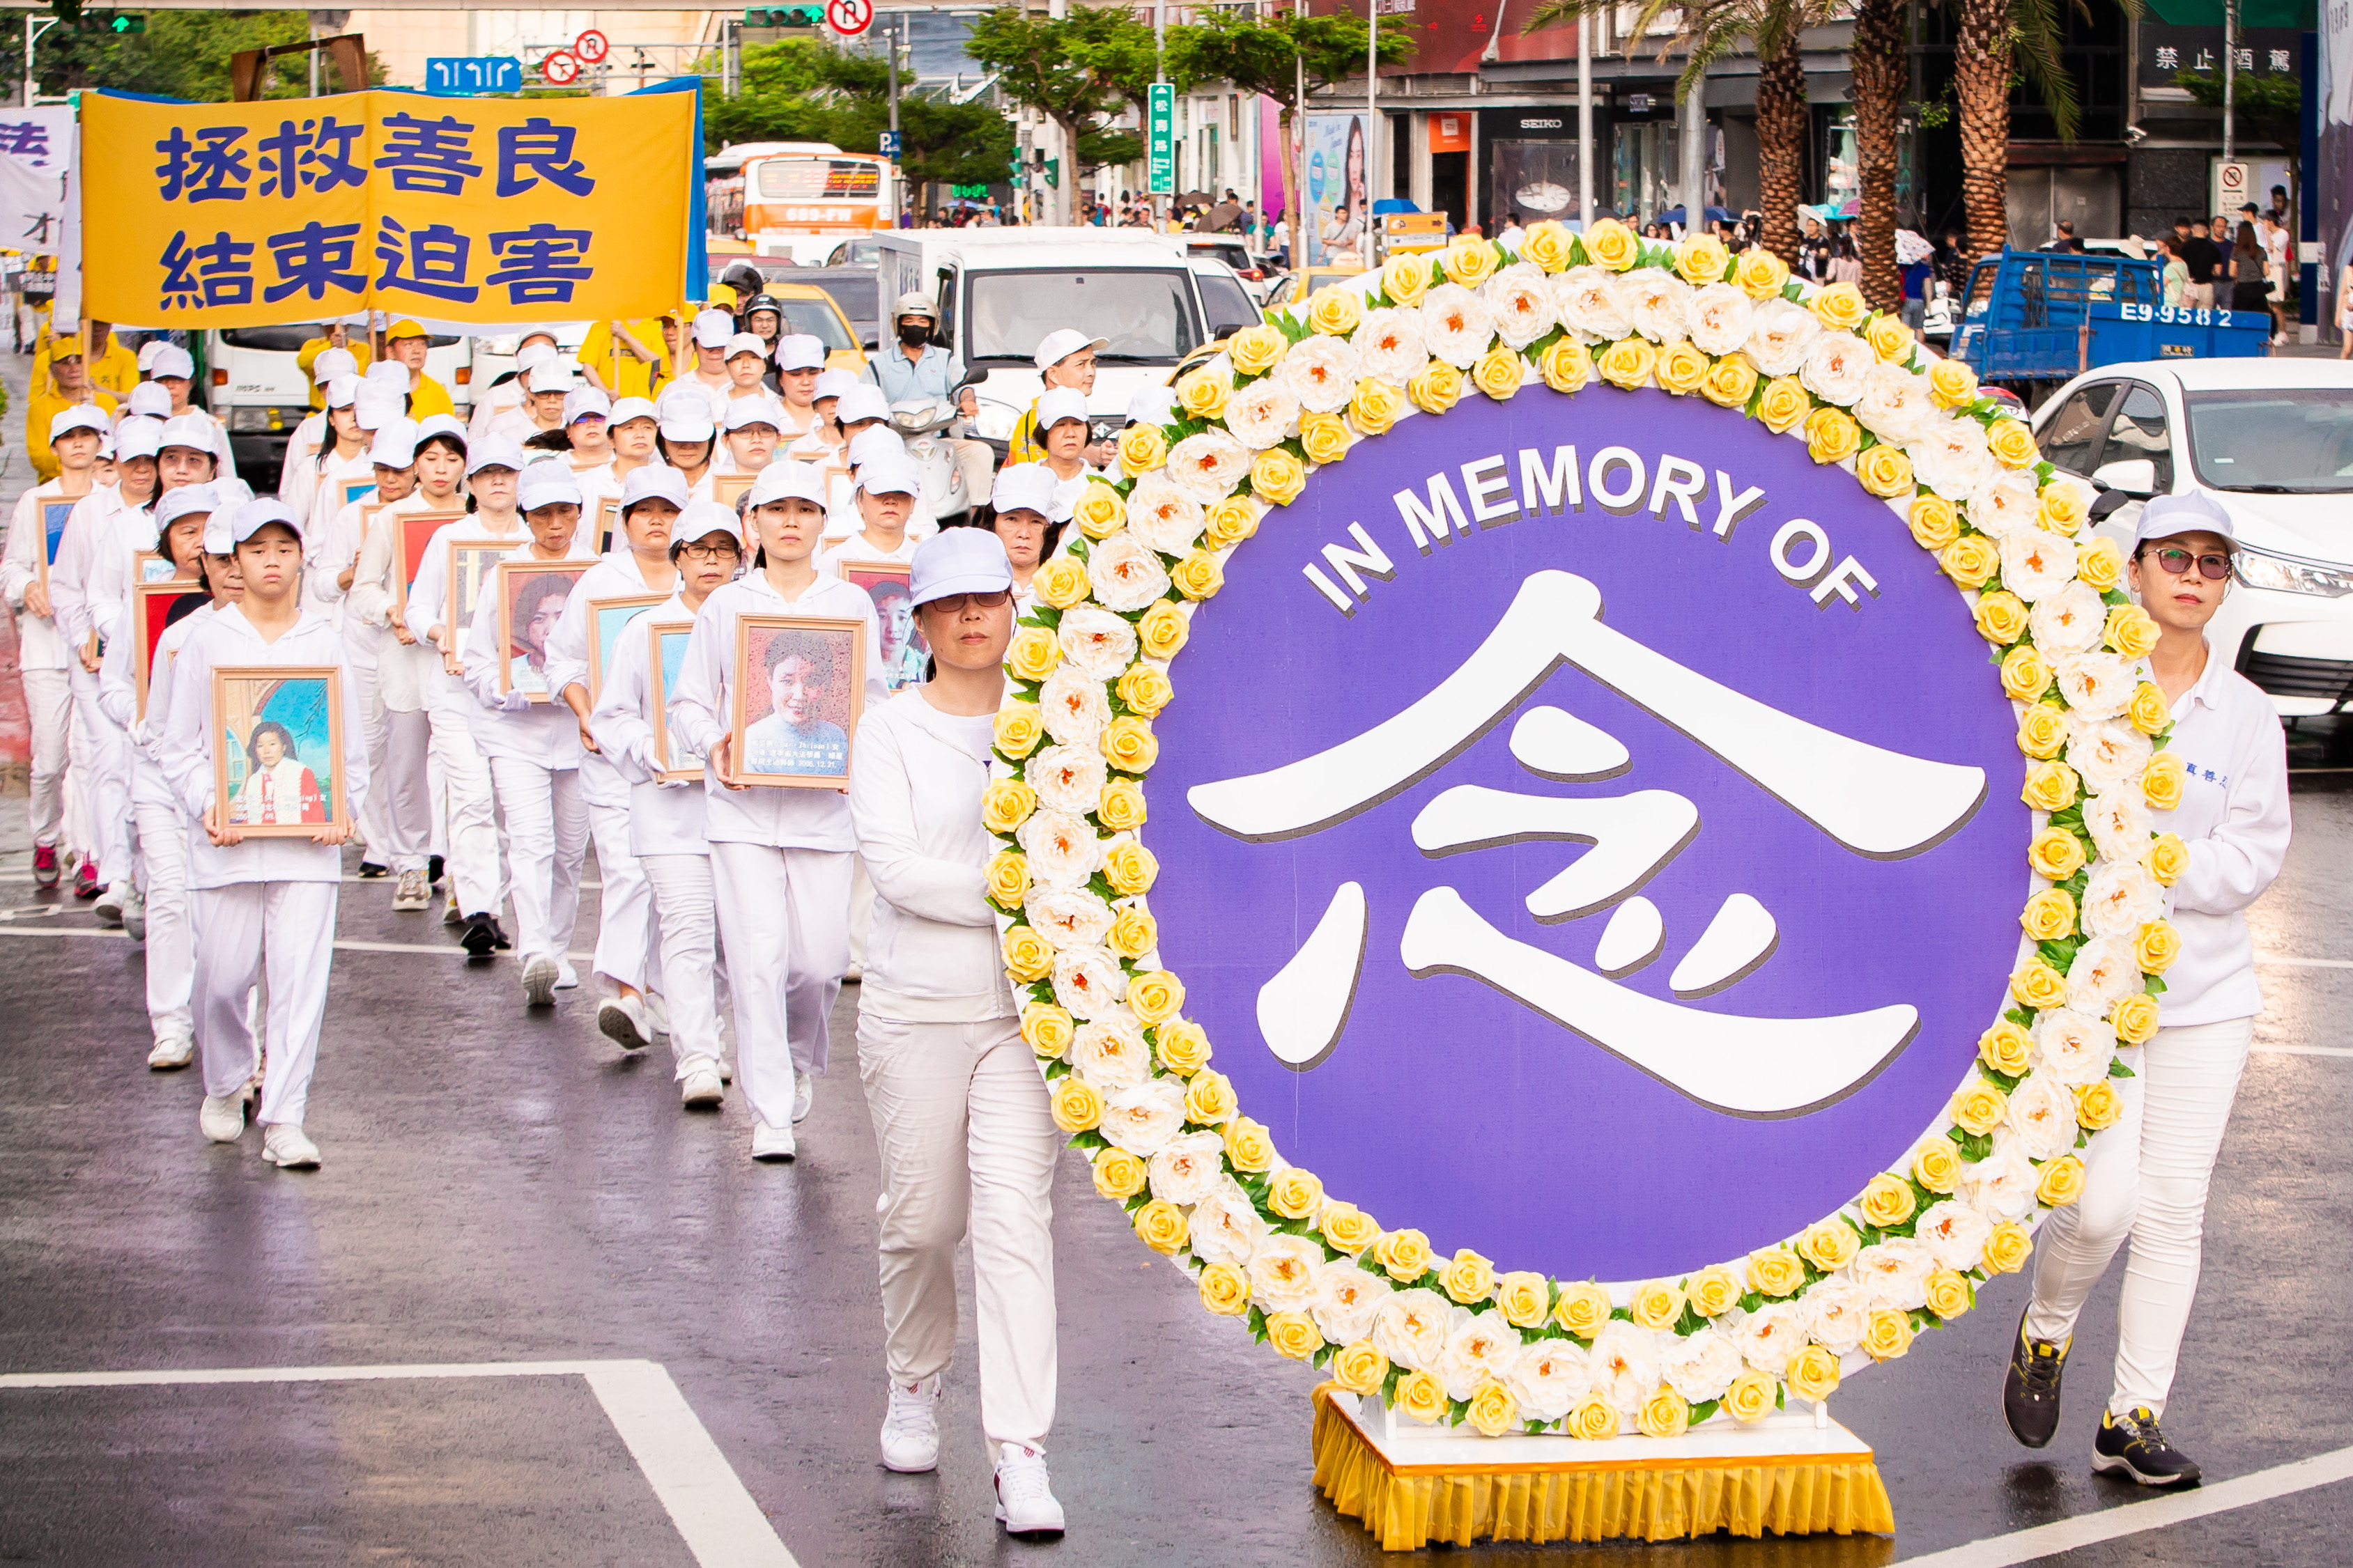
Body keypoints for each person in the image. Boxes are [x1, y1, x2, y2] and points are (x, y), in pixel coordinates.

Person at [2003, 489, 2290, 1488]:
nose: (2194, 578)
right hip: (2090, 993)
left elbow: (2254, 852)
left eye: (2213, 564)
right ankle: (2046, 1326)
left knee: (2172, 1207)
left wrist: (2148, 864)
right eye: (2176, 557)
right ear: (2133, 568)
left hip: (2205, 995)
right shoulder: (2087, 684)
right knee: (2097, 1205)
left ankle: (2132, 1416)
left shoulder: (2248, 715)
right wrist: (2121, 866)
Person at [848, 527, 1065, 1537]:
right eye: (952, 605)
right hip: (913, 1007)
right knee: (923, 1220)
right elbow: (897, 871)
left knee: (1015, 1221)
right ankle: (912, 1378)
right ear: (923, 621)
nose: (974, 618)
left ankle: (1020, 1449)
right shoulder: (888, 728)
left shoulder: (1055, 720)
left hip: (1024, 1019)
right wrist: (1022, 894)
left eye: (989, 600)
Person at [668, 459, 884, 1163]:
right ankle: (769, 1114)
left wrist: (862, 757)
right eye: (776, 510)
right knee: (758, 960)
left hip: (824, 815)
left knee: (818, 965)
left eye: (805, 510)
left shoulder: (847, 604)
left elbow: (872, 697)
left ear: (824, 522)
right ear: (751, 522)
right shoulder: (726, 606)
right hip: (742, 812)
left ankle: (793, 1055)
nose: (790, 522)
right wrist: (716, 745)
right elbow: (690, 702)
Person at [157, 497, 369, 1171]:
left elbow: (349, 748)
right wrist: (206, 804)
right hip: (226, 844)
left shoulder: (324, 639)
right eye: (256, 551)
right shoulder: (203, 639)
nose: (271, 561)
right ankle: (226, 1082)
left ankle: (285, 1116)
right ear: (235, 562)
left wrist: (344, 811)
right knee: (220, 981)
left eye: (283, 549)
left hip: (306, 848)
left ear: (300, 557)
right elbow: (178, 745)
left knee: (299, 980)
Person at [589, 502, 743, 1106]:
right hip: (669, 810)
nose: (711, 560)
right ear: (678, 558)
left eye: (723, 550)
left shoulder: (754, 627)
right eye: (699, 549)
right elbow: (612, 717)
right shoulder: (644, 631)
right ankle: (697, 1057)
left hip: (743, 809)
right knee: (686, 927)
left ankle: (718, 1034)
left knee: (737, 939)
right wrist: (652, 748)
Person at [544, 463, 686, 1049]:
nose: (656, 522)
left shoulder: (705, 579)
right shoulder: (600, 581)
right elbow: (564, 661)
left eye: (667, 511)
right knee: (627, 870)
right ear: (623, 520)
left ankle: (663, 989)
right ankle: (628, 991)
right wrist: (584, 713)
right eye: (644, 511)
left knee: (673, 878)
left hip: (684, 759)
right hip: (611, 754)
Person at [95, 483, 233, 1068]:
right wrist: (141, 722)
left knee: (221, 904)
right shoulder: (147, 607)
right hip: (156, 775)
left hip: (223, 776)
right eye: (187, 532)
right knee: (170, 896)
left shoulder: (248, 611)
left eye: (212, 532)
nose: (200, 544)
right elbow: (115, 682)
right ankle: (171, 1022)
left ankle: (224, 1022)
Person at [462, 465, 591, 1006]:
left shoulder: (600, 575)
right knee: (531, 841)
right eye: (542, 514)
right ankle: (535, 948)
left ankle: (559, 947)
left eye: (564, 512)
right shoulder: (503, 576)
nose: (555, 524)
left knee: (570, 850)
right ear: (525, 517)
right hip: (516, 734)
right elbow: (475, 662)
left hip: (581, 736)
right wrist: (501, 688)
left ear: (580, 513)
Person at [403, 436, 529, 952]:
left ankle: (487, 893)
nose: (498, 482)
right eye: (487, 474)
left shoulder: (534, 541)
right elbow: (418, 611)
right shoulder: (450, 539)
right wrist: (445, 639)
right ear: (471, 484)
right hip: (455, 692)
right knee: (472, 797)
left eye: (507, 473)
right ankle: (481, 909)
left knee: (510, 807)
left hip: (515, 697)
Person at [348, 415, 470, 913]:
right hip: (404, 656)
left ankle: (465, 870)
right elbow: (364, 588)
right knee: (406, 765)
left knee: (466, 767)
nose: (441, 470)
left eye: (452, 459)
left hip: (462, 660)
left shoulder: (476, 514)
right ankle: (412, 864)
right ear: (415, 464)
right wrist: (391, 611)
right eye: (430, 459)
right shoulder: (391, 518)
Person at [3, 405, 105, 890]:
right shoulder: (33, 503)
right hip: (45, 650)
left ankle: (87, 854)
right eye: (70, 437)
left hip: (93, 651)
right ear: (56, 447)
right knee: (49, 760)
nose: (79, 444)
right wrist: (28, 589)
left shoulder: (109, 503)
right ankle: (45, 836)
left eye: (88, 435)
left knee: (89, 759)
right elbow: (14, 566)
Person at [871, 293, 992, 504]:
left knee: (980, 452)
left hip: (940, 440)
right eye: (909, 321)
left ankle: (976, 515)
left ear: (931, 326)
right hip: (896, 442)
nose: (916, 326)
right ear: (898, 325)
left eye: (922, 321)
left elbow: (963, 385)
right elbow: (865, 397)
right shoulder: (878, 364)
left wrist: (968, 400)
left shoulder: (945, 359)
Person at [1006, 329, 1103, 467]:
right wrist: (1097, 456)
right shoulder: (1036, 419)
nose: (1091, 372)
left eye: (1093, 363)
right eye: (1081, 364)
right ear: (1053, 374)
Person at [985, 462, 1068, 617]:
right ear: (993, 523)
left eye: (1036, 521)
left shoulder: (1070, 588)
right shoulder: (975, 583)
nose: (1023, 533)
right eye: (1011, 519)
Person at [579, 316, 672, 401]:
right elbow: (588, 367)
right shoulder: (601, 326)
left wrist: (625, 335)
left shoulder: (658, 326)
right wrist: (607, 394)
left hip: (644, 403)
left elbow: (657, 364)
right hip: (609, 402)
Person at [383, 319, 457, 420]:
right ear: (390, 352)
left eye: (422, 344)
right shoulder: (378, 390)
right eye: (409, 344)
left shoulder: (438, 393)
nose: (417, 351)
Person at [298, 317, 373, 408]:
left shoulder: (363, 348)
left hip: (348, 410)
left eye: (341, 325)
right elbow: (303, 363)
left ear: (348, 326)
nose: (334, 329)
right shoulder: (312, 345)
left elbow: (362, 376)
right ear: (323, 326)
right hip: (319, 412)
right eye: (329, 325)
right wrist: (330, 345)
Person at [2179, 218, 2221, 309]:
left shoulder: (2185, 247)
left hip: (2189, 286)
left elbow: (2181, 265)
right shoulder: (2214, 248)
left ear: (2193, 230)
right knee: (2205, 317)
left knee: (2187, 315)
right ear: (2206, 232)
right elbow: (2218, 271)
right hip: (2207, 287)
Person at [2156, 237, 2188, 307]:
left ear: (2168, 248)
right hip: (2180, 304)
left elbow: (2159, 287)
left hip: (2169, 304)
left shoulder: (2171, 267)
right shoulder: (2184, 265)